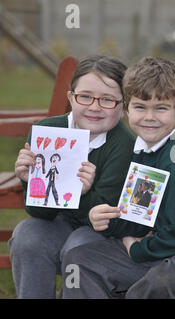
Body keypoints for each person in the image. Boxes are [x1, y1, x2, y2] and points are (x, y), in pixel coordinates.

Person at [61, 56, 175, 299]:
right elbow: (139, 213)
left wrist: (137, 249)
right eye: (140, 107)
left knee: (159, 280)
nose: (149, 117)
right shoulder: (139, 151)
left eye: (161, 108)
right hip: (157, 249)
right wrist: (104, 219)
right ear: (126, 109)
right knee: (79, 259)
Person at [10, 54, 135, 298]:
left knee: (78, 247)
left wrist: (83, 194)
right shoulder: (46, 131)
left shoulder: (124, 145)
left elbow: (104, 220)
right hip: (56, 224)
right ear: (71, 98)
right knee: (27, 235)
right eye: (85, 96)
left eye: (108, 100)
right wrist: (29, 180)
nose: (95, 107)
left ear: (122, 106)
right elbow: (39, 213)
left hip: (101, 233)